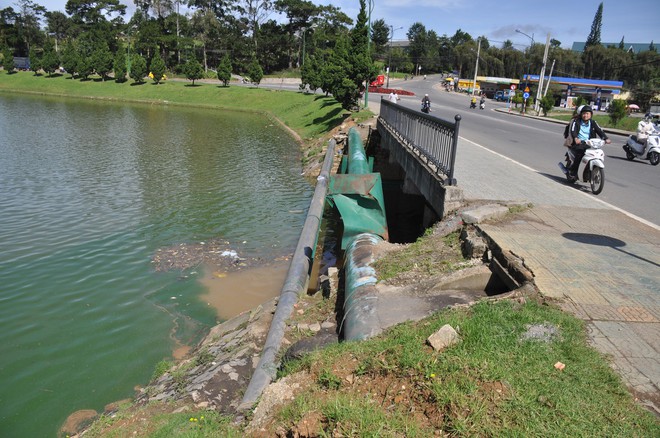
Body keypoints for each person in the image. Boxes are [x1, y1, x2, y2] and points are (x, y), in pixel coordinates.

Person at [565, 105, 611, 179]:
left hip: (590, 143)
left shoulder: (593, 122)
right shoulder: (576, 122)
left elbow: (600, 131)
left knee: (597, 152)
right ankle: (573, 170)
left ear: (591, 115)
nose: (585, 115)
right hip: (579, 143)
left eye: (587, 113)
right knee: (581, 152)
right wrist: (576, 138)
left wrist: (605, 138)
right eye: (584, 113)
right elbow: (573, 131)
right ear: (581, 114)